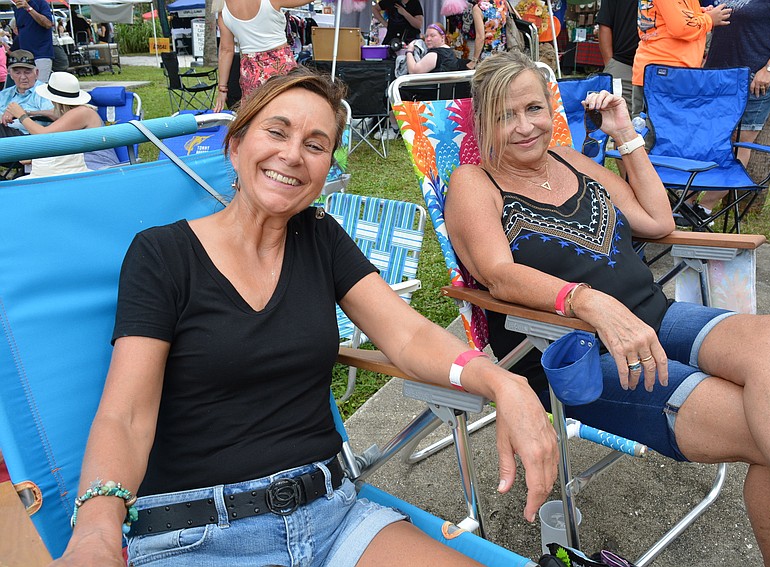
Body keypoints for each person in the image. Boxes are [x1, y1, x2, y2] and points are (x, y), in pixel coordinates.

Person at [49, 67, 558, 567]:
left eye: (316, 145)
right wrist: (96, 532)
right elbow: (125, 415)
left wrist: (501, 382)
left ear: (325, 170)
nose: (292, 155)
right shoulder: (163, 255)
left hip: (334, 518)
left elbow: (406, 333)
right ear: (235, 144)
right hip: (199, 535)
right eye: (277, 131)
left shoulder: (320, 238)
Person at [445, 51, 770, 567]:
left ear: (551, 108)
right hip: (573, 354)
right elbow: (498, 272)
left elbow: (657, 221)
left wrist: (624, 135)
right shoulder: (474, 184)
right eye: (504, 115)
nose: (525, 127)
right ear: (481, 120)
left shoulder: (569, 158)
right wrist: (588, 302)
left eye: (534, 108)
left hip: (653, 317)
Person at [699, 0, 770, 214]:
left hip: (755, 77)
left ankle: (705, 207)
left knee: (740, 142)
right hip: (717, 75)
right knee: (707, 139)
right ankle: (687, 203)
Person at [7, 71, 120, 177]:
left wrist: (21, 115)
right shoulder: (78, 111)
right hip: (76, 165)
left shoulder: (82, 113)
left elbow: (43, 135)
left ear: (53, 100)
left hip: (94, 168)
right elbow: (55, 123)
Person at [631, 0, 730, 115]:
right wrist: (709, 19)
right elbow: (681, 28)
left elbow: (672, 16)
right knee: (656, 129)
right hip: (664, 75)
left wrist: (702, 13)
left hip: (667, 74)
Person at [213, 0, 301, 112]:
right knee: (288, 111)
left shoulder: (223, 11)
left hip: (252, 71)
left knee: (257, 116)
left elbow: (226, 50)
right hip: (281, 65)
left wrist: (222, 89)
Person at [597, 0, 639, 114]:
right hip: (624, 65)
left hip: (662, 66)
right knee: (618, 120)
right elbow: (605, 24)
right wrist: (610, 62)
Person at [0, 50, 53, 138]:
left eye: (27, 72)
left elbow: (56, 114)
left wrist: (23, 113)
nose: (23, 77)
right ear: (11, 75)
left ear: (36, 73)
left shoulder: (43, 92)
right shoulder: (4, 94)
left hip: (29, 138)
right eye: (17, 73)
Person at [11, 0, 53, 81]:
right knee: (26, 88)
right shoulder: (16, 7)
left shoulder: (41, 3)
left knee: (39, 87)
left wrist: (28, 8)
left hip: (41, 54)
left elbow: (48, 24)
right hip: (25, 56)